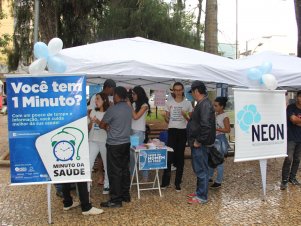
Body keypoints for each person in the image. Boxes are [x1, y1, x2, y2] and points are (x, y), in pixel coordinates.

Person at [96, 86, 132, 208]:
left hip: (114, 144)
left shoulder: (112, 109)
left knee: (114, 172)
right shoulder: (128, 108)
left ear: (116, 96)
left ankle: (116, 200)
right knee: (124, 170)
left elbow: (102, 125)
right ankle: (125, 195)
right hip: (126, 143)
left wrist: (107, 126)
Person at [186, 81, 216, 204]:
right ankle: (199, 192)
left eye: (192, 92)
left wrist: (199, 141)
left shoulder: (205, 105)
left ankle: (202, 196)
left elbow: (206, 126)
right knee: (199, 168)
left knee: (201, 169)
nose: (192, 94)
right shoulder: (202, 103)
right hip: (197, 142)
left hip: (200, 143)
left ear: (196, 91)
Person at [161, 82, 193, 192]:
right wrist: (166, 117)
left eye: (180, 90)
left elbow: (191, 121)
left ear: (183, 90)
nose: (178, 92)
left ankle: (177, 183)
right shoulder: (169, 102)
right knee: (169, 158)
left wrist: (186, 116)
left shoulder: (188, 103)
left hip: (182, 132)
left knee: (180, 158)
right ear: (173, 91)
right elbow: (167, 120)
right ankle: (165, 182)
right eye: (176, 90)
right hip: (172, 131)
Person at [88, 92, 110, 194]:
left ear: (104, 100)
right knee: (89, 163)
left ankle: (107, 185)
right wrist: (91, 123)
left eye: (98, 99)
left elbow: (108, 129)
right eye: (95, 99)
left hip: (104, 141)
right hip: (92, 140)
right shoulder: (92, 112)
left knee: (106, 164)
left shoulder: (108, 113)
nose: (95, 101)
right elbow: (88, 129)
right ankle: (87, 185)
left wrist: (97, 122)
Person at [128, 86, 151, 181]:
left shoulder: (144, 105)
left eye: (134, 94)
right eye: (132, 94)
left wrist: (129, 105)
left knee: (138, 154)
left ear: (139, 94)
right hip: (132, 131)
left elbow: (136, 117)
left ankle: (144, 176)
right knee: (133, 155)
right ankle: (133, 175)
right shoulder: (134, 104)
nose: (132, 96)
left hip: (138, 133)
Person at [280, 90, 301, 190]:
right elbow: (293, 120)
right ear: (297, 97)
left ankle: (292, 178)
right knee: (288, 159)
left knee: (297, 159)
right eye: (300, 97)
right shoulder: (291, 107)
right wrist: (296, 121)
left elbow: (296, 120)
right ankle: (284, 180)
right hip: (291, 138)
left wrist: (298, 121)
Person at [209, 97, 231, 189]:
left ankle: (218, 181)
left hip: (220, 140)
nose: (214, 107)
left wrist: (215, 129)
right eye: (213, 105)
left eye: (216, 105)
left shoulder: (225, 116)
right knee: (211, 159)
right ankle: (209, 177)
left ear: (221, 106)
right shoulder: (216, 114)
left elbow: (228, 130)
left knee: (219, 162)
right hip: (214, 139)